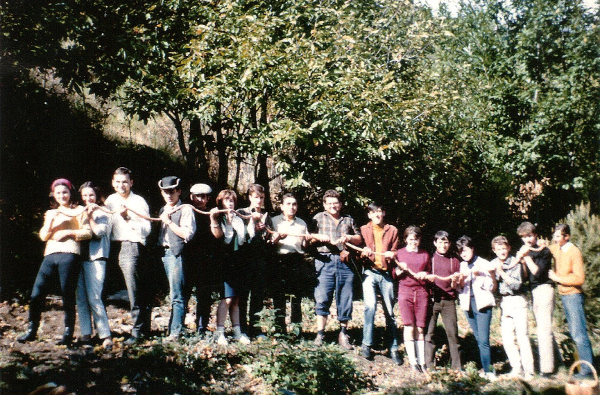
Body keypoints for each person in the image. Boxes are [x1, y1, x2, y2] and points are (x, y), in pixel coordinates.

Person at [18, 178, 92, 346]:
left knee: (67, 294)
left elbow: (87, 232)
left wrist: (69, 233)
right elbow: (43, 236)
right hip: (50, 254)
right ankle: (32, 329)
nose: (62, 195)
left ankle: (68, 332)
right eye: (58, 193)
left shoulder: (80, 210)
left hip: (70, 253)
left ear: (70, 193)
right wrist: (51, 223)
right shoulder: (50, 213)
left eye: (64, 192)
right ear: (54, 195)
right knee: (37, 292)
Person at [104, 167, 152, 344]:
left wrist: (128, 218)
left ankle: (139, 331)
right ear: (112, 183)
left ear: (131, 183)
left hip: (131, 245)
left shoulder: (139, 201)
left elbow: (147, 230)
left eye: (125, 181)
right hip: (112, 246)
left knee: (134, 289)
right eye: (117, 182)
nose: (121, 185)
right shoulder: (110, 200)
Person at [310, 189, 362, 349]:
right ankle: (320, 334)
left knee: (345, 298)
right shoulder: (317, 218)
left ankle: (343, 333)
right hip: (324, 260)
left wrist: (349, 237)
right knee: (322, 296)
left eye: (336, 203)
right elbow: (308, 239)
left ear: (340, 204)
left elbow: (359, 239)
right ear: (325, 205)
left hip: (344, 262)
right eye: (329, 203)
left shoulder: (348, 219)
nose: (333, 206)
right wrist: (318, 237)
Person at [548, 224, 595, 378]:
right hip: (565, 296)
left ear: (566, 237)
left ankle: (587, 371)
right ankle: (583, 366)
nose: (554, 239)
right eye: (554, 236)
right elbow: (547, 249)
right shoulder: (558, 248)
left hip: (573, 296)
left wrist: (558, 278)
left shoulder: (573, 252)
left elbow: (579, 278)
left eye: (557, 236)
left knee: (578, 334)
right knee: (575, 333)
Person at [358, 202, 401, 365]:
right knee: (370, 306)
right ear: (369, 215)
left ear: (383, 213)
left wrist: (393, 254)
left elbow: (397, 252)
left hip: (386, 274)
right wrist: (363, 253)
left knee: (390, 311)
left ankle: (393, 347)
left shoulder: (393, 230)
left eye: (379, 211)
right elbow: (356, 252)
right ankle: (366, 344)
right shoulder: (363, 230)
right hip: (370, 272)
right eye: (373, 212)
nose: (377, 214)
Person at [209, 189, 251, 345]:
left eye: (232, 200)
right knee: (226, 298)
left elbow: (243, 240)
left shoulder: (239, 219)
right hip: (224, 263)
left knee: (236, 299)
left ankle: (237, 332)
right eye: (227, 200)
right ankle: (219, 332)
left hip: (238, 262)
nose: (230, 203)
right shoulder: (218, 219)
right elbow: (222, 238)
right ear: (221, 202)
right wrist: (225, 221)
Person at [75, 181, 113, 349]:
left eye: (91, 195)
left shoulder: (103, 212)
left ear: (97, 196)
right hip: (78, 258)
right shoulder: (77, 210)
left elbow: (99, 232)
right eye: (84, 195)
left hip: (96, 258)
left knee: (94, 297)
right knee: (81, 298)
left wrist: (90, 216)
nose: (87, 198)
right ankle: (86, 333)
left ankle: (105, 334)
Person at [157, 176, 196, 340]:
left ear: (179, 191)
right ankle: (173, 328)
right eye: (165, 192)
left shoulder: (186, 209)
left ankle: (175, 332)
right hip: (163, 253)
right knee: (172, 293)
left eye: (172, 191)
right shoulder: (162, 210)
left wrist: (170, 223)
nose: (169, 195)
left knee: (177, 294)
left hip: (176, 254)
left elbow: (188, 234)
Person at [491, 236, 534, 380]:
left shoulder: (515, 262)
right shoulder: (493, 263)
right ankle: (517, 368)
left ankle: (529, 371)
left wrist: (502, 273)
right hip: (505, 302)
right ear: (494, 251)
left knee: (522, 336)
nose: (502, 252)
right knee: (507, 338)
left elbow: (517, 285)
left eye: (504, 248)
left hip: (518, 299)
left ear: (509, 248)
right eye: (498, 249)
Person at [269, 193, 313, 335]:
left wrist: (307, 240)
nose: (291, 207)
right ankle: (280, 330)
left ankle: (296, 331)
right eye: (288, 204)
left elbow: (304, 245)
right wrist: (276, 238)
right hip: (279, 261)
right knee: (279, 297)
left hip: (296, 261)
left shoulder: (301, 223)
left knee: (296, 298)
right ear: (281, 206)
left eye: (294, 204)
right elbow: (268, 242)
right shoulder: (274, 221)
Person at [516, 221, 555, 376]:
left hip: (545, 288)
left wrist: (526, 257)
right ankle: (552, 362)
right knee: (541, 327)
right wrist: (521, 260)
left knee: (544, 329)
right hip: (534, 290)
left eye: (530, 236)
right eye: (524, 237)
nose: (527, 240)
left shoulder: (544, 250)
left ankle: (547, 370)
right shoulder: (528, 251)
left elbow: (537, 272)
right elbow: (526, 276)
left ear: (535, 235)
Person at [457, 235, 496, 379]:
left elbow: (491, 286)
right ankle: (484, 368)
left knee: (484, 340)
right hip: (468, 305)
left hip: (483, 304)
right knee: (479, 338)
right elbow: (459, 288)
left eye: (466, 250)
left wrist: (479, 274)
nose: (464, 254)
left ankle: (489, 371)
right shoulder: (461, 265)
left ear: (472, 248)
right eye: (461, 252)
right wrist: (460, 281)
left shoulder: (483, 263)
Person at [394, 226, 431, 372]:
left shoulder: (425, 254)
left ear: (419, 240)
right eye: (410, 239)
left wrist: (424, 274)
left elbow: (429, 272)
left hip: (421, 292)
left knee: (420, 327)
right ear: (405, 240)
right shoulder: (399, 254)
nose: (413, 242)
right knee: (409, 326)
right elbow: (394, 274)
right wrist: (400, 269)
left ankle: (422, 362)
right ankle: (413, 362)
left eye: (416, 239)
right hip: (405, 291)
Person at [237, 184, 271, 339]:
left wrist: (266, 231)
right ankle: (242, 328)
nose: (259, 200)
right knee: (243, 295)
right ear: (250, 197)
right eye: (256, 197)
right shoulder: (242, 213)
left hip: (261, 259)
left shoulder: (266, 215)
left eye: (262, 197)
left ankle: (256, 329)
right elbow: (240, 236)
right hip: (244, 259)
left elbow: (269, 239)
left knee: (258, 295)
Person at [424, 231, 462, 371]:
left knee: (452, 333)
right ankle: (429, 364)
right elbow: (423, 277)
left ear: (449, 243)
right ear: (435, 243)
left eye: (446, 242)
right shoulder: (430, 258)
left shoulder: (455, 260)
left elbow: (457, 285)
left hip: (449, 301)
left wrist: (455, 281)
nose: (443, 245)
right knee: (430, 332)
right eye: (440, 242)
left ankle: (456, 366)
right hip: (433, 300)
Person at [185, 183, 217, 337]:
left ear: (208, 198)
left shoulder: (213, 214)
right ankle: (179, 327)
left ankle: (202, 328)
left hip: (206, 262)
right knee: (184, 294)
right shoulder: (187, 211)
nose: (200, 199)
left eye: (203, 196)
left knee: (204, 296)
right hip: (189, 260)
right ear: (191, 197)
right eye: (197, 196)